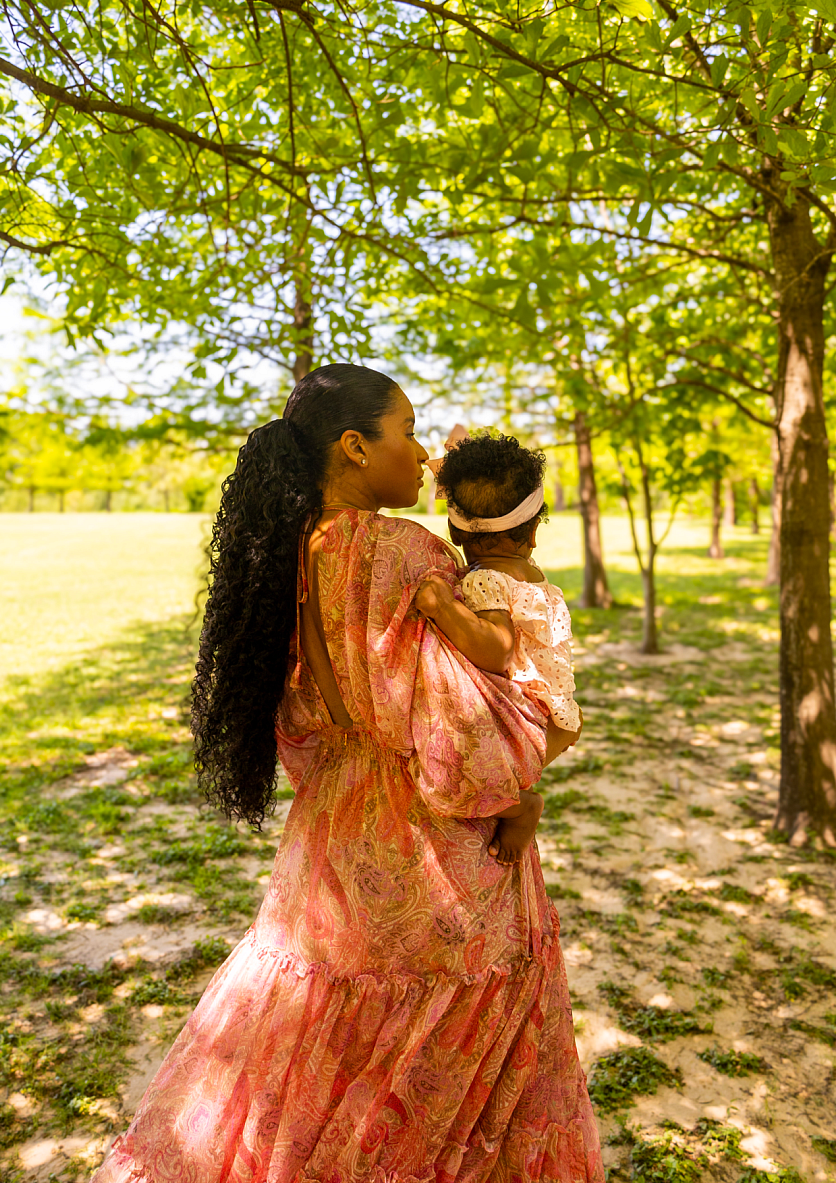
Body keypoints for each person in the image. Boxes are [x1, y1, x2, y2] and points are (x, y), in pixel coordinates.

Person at [92, 364, 604, 1183]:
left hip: (331, 832)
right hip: (433, 848)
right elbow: (461, 730)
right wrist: (524, 790)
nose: (422, 451)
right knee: (436, 1059)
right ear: (357, 446)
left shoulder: (287, 550)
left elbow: (304, 716)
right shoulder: (404, 552)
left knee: (317, 1036)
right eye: (407, 431)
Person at [415, 431, 582, 867]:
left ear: (454, 530)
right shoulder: (531, 571)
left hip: (527, 714)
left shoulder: (483, 579)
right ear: (531, 533)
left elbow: (497, 651)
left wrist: (442, 609)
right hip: (558, 709)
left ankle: (521, 807)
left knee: (452, 775)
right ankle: (517, 797)